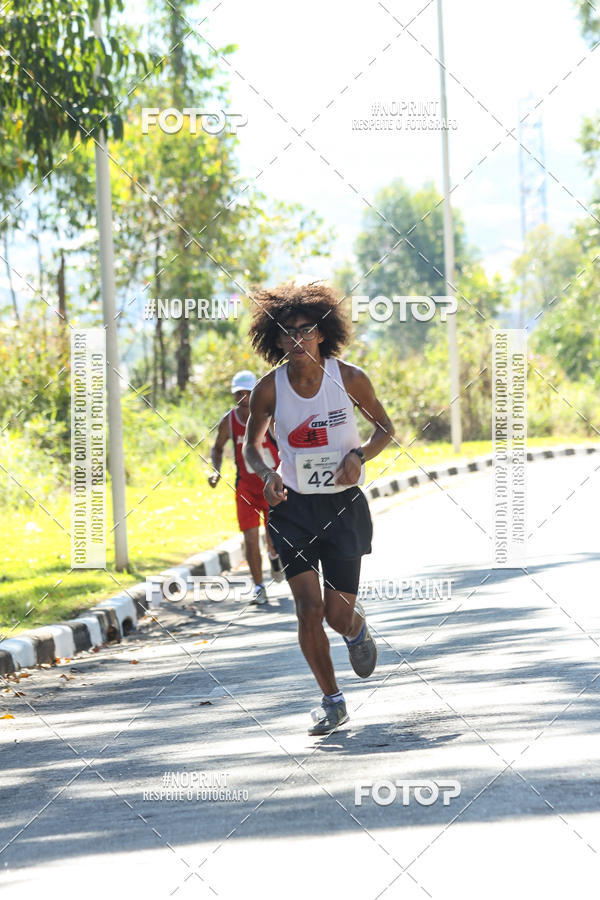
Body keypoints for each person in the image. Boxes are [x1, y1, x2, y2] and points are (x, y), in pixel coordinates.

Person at [243, 282, 395, 734]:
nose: (296, 340)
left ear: (322, 333)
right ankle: (332, 700)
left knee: (335, 613)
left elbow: (385, 428)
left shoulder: (349, 378)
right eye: (286, 333)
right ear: (274, 340)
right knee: (308, 610)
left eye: (305, 330)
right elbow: (253, 445)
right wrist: (268, 472)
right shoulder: (268, 390)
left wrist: (360, 456)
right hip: (293, 508)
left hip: (344, 506)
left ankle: (355, 628)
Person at [208, 369, 284, 605]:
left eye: (247, 393)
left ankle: (275, 554)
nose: (242, 398)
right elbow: (217, 448)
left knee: (274, 537)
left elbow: (286, 444)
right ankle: (259, 587)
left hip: (272, 486)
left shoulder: (270, 417)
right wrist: (216, 470)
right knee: (250, 539)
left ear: (255, 394)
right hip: (246, 490)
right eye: (238, 393)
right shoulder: (229, 421)